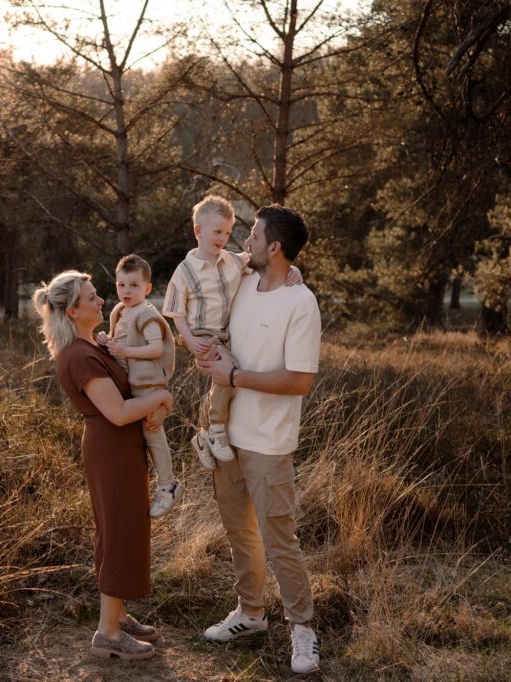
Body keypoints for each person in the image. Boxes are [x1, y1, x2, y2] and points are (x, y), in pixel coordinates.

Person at [196, 205, 322, 675]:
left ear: (275, 247)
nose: (244, 243)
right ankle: (250, 615)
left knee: (278, 539)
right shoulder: (242, 281)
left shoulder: (300, 302)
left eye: (253, 236)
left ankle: (302, 629)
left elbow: (299, 381)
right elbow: (201, 260)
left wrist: (236, 375)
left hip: (269, 444)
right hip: (225, 437)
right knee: (239, 534)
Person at [33, 270, 172, 661]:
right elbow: (119, 411)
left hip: (120, 449)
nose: (101, 302)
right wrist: (162, 396)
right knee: (119, 532)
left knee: (118, 529)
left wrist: (157, 405)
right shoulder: (79, 356)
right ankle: (107, 634)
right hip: (111, 450)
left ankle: (119, 615)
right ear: (74, 310)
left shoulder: (93, 345)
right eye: (92, 298)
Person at [162, 195, 302, 466]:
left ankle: (203, 434)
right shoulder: (186, 271)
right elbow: (175, 310)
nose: (222, 238)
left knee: (226, 378)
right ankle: (215, 431)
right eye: (217, 232)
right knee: (231, 373)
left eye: (227, 233)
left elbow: (264, 259)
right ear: (198, 231)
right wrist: (190, 340)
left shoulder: (232, 261)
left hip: (225, 335)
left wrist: (291, 268)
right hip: (202, 335)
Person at [95, 255, 181, 518]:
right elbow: (117, 343)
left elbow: (155, 349)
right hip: (130, 384)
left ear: (147, 288)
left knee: (153, 432)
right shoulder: (120, 312)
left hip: (148, 383)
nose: (126, 291)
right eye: (121, 285)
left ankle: (169, 485)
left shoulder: (147, 316)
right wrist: (105, 340)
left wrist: (125, 350)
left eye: (133, 285)